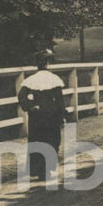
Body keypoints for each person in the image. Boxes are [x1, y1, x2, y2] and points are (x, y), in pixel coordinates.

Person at [17, 49, 66, 182]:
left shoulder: (30, 80)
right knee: (52, 141)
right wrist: (62, 116)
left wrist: (30, 107)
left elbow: (21, 97)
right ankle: (47, 169)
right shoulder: (54, 80)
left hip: (37, 117)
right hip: (52, 117)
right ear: (48, 64)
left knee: (37, 141)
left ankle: (39, 169)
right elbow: (60, 101)